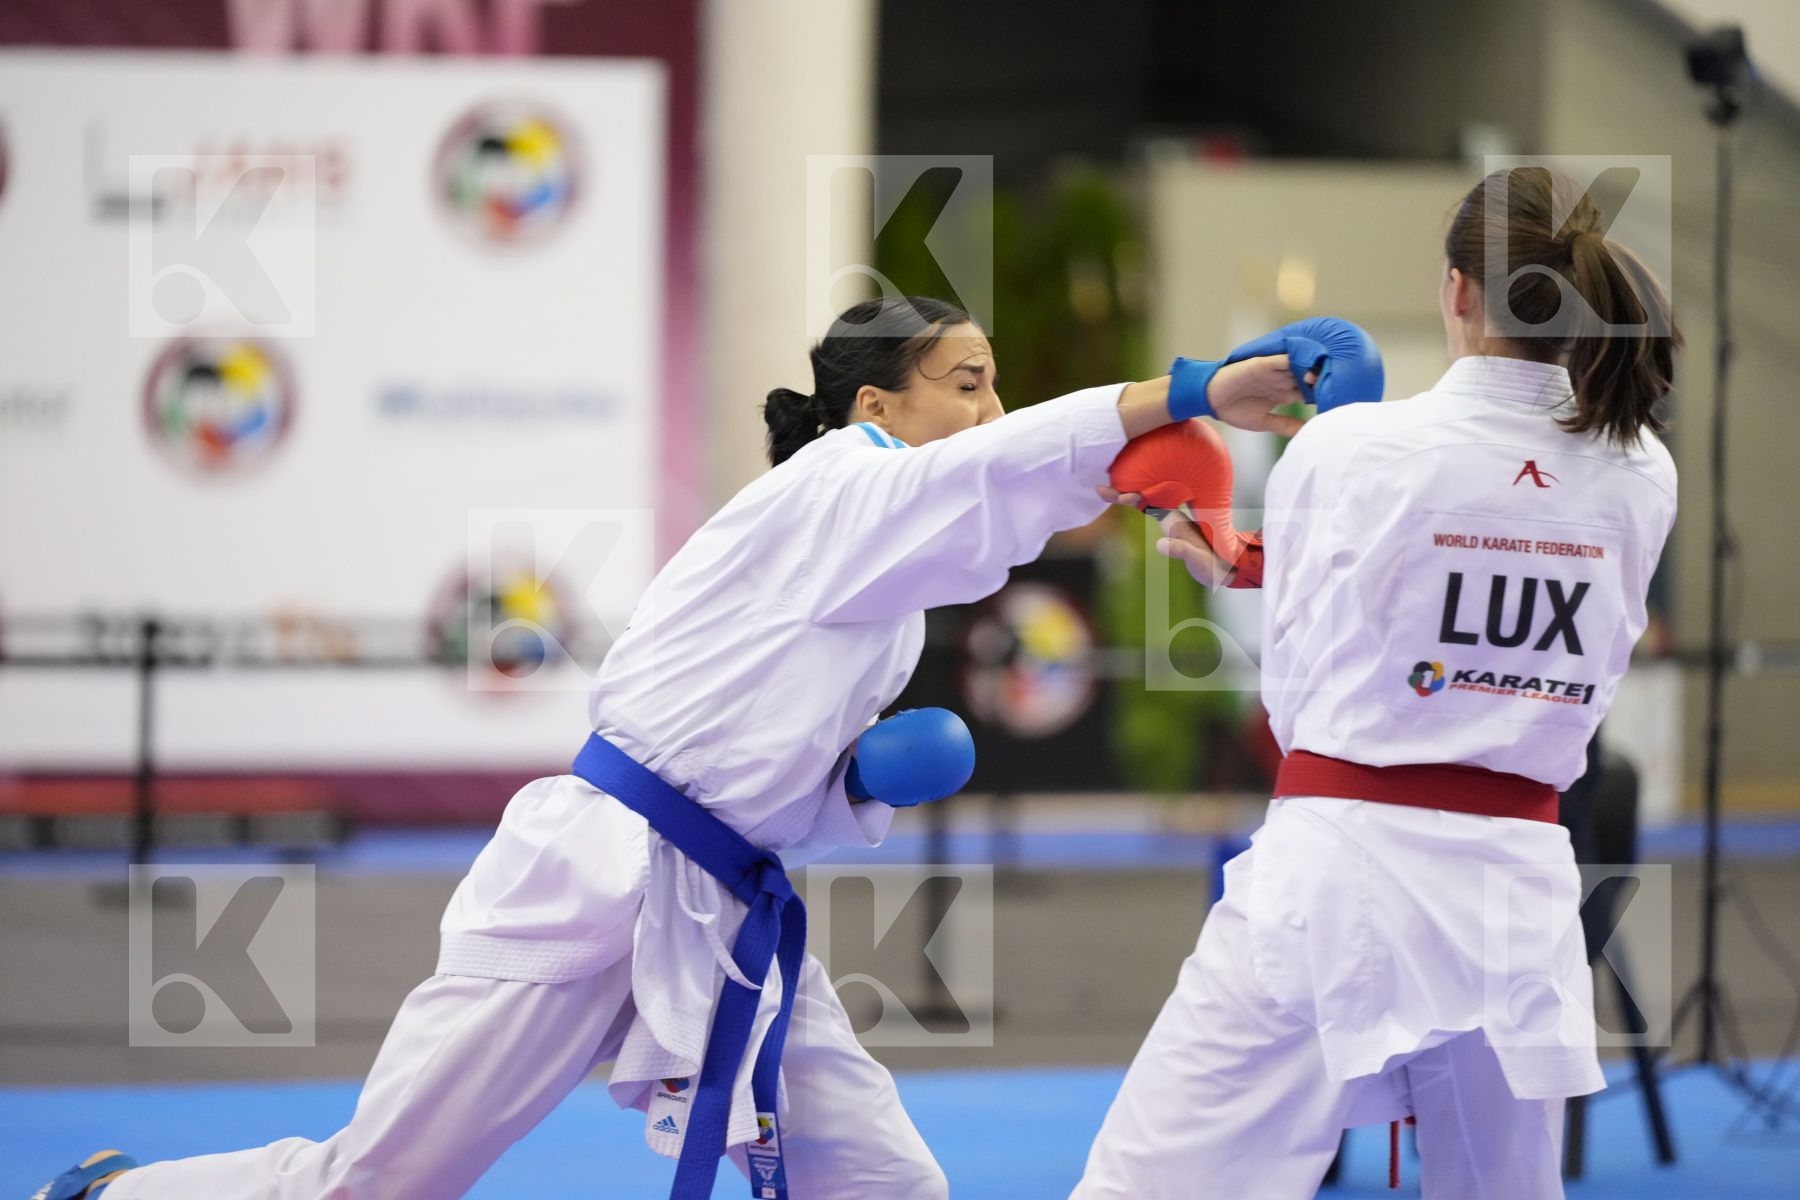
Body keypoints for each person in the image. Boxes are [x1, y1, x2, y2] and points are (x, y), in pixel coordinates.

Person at [38, 295, 1313, 1200]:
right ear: (878, 403)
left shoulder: (890, 580)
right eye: (968, 380)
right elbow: (988, 486)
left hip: (718, 896)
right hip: (595, 876)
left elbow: (776, 789)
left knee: (882, 1179)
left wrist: (851, 783)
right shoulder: (837, 484)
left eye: (996, 380)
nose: (995, 404)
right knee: (377, 1182)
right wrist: (1190, 391)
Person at [1073, 166, 1680, 1199]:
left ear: (1456, 291)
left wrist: (1254, 545)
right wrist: (1266, 547)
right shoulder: (1640, 471)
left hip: (1343, 865)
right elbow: (1476, 551)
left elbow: (1300, 695)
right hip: (1520, 881)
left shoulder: (1353, 444)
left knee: (1147, 1186)